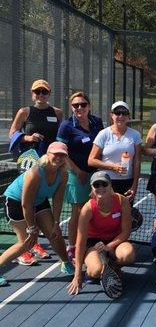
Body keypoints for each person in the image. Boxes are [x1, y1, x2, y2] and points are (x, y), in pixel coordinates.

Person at [0, 142, 73, 286]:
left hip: (39, 200)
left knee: (54, 232)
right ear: (47, 153)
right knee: (27, 242)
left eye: (62, 155)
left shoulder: (63, 174)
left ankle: (66, 262)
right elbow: (26, 204)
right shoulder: (35, 173)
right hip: (16, 201)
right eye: (55, 154)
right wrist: (32, 228)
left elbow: (58, 200)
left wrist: (57, 223)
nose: (58, 157)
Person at [8, 79, 63, 263]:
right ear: (32, 93)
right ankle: (26, 244)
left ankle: (34, 242)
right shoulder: (25, 112)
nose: (41, 95)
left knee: (41, 200)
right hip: (29, 163)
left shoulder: (57, 112)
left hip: (50, 163)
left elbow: (60, 136)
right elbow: (13, 133)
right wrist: (28, 137)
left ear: (49, 93)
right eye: (37, 92)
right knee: (28, 200)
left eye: (44, 92)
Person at [67, 172, 136, 295]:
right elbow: (81, 242)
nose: (100, 187)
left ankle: (113, 267)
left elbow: (126, 232)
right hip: (93, 243)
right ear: (92, 188)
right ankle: (89, 269)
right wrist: (77, 275)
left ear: (110, 185)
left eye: (104, 184)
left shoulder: (122, 201)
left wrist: (108, 247)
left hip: (115, 240)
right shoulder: (87, 209)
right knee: (95, 271)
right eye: (96, 185)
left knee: (128, 255)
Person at [57, 92, 104, 261]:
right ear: (71, 107)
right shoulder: (66, 125)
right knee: (78, 212)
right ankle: (72, 246)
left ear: (88, 106)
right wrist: (78, 172)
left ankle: (89, 242)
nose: (79, 108)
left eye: (83, 104)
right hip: (76, 174)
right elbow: (62, 153)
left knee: (94, 209)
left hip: (95, 173)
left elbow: (101, 144)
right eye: (75, 105)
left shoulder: (97, 122)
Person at [88, 101, 142, 202]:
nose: (121, 116)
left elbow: (137, 161)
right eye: (117, 112)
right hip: (105, 182)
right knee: (106, 214)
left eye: (124, 113)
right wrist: (114, 167)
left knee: (125, 214)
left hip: (127, 182)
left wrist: (134, 186)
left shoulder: (135, 135)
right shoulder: (103, 134)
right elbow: (91, 160)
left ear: (128, 116)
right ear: (112, 115)